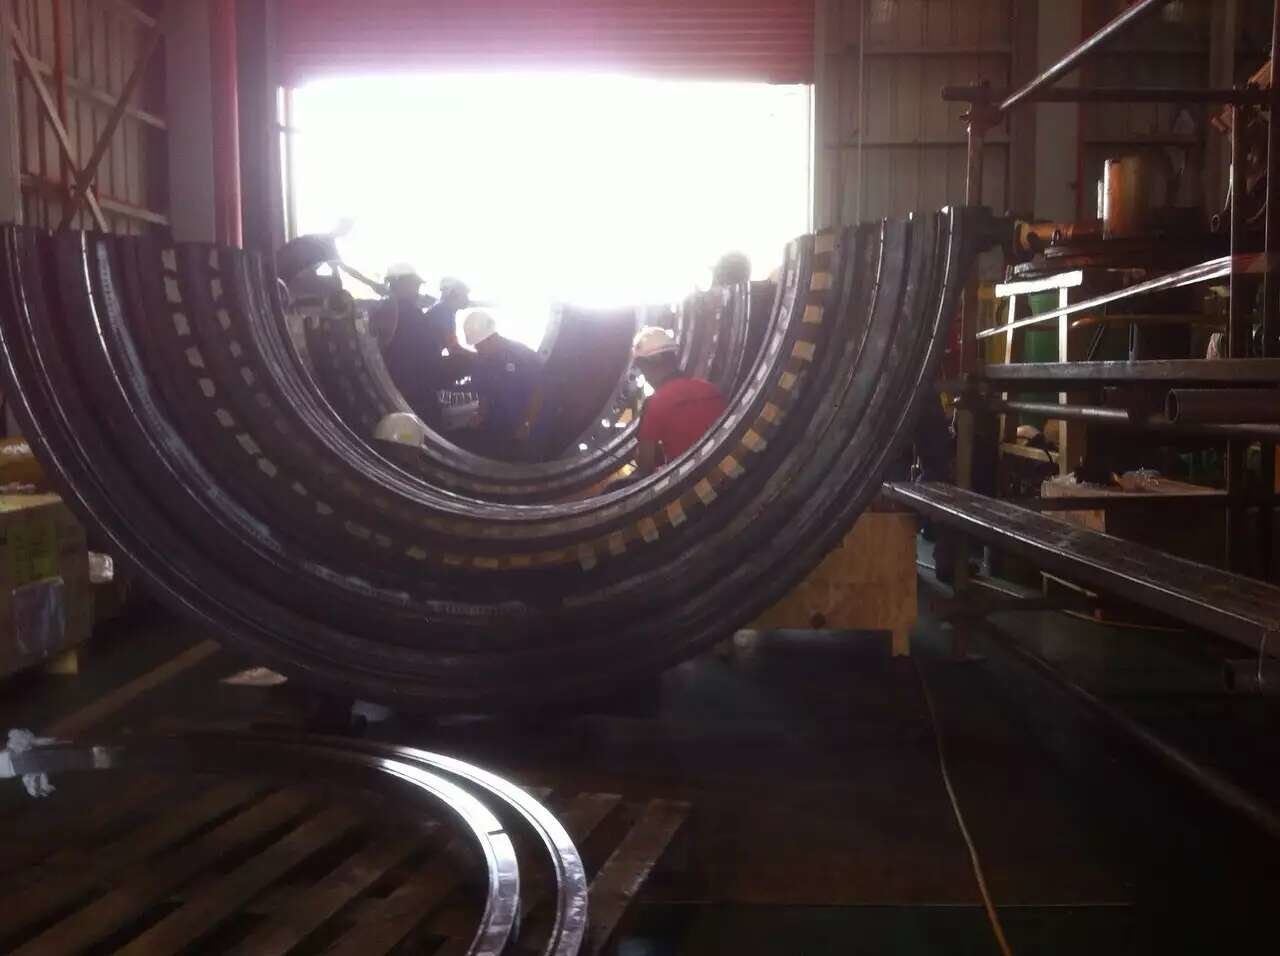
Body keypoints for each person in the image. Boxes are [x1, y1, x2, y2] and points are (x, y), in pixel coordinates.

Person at [631, 326, 727, 477]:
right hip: (726, 468)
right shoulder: (709, 389)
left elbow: (645, 465)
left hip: (692, 481)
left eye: (643, 370)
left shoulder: (655, 404)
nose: (646, 378)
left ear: (649, 366)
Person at [373, 264, 455, 427]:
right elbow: (426, 352)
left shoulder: (384, 309)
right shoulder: (410, 314)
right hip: (413, 391)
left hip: (394, 387)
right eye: (414, 285)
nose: (417, 290)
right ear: (401, 284)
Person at [461, 310, 544, 459]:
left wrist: (526, 423)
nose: (477, 350)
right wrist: (480, 415)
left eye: (479, 345)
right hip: (496, 429)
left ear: (491, 338)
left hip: (525, 430)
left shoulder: (522, 355)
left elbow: (537, 392)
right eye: (475, 346)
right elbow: (483, 394)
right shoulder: (481, 362)